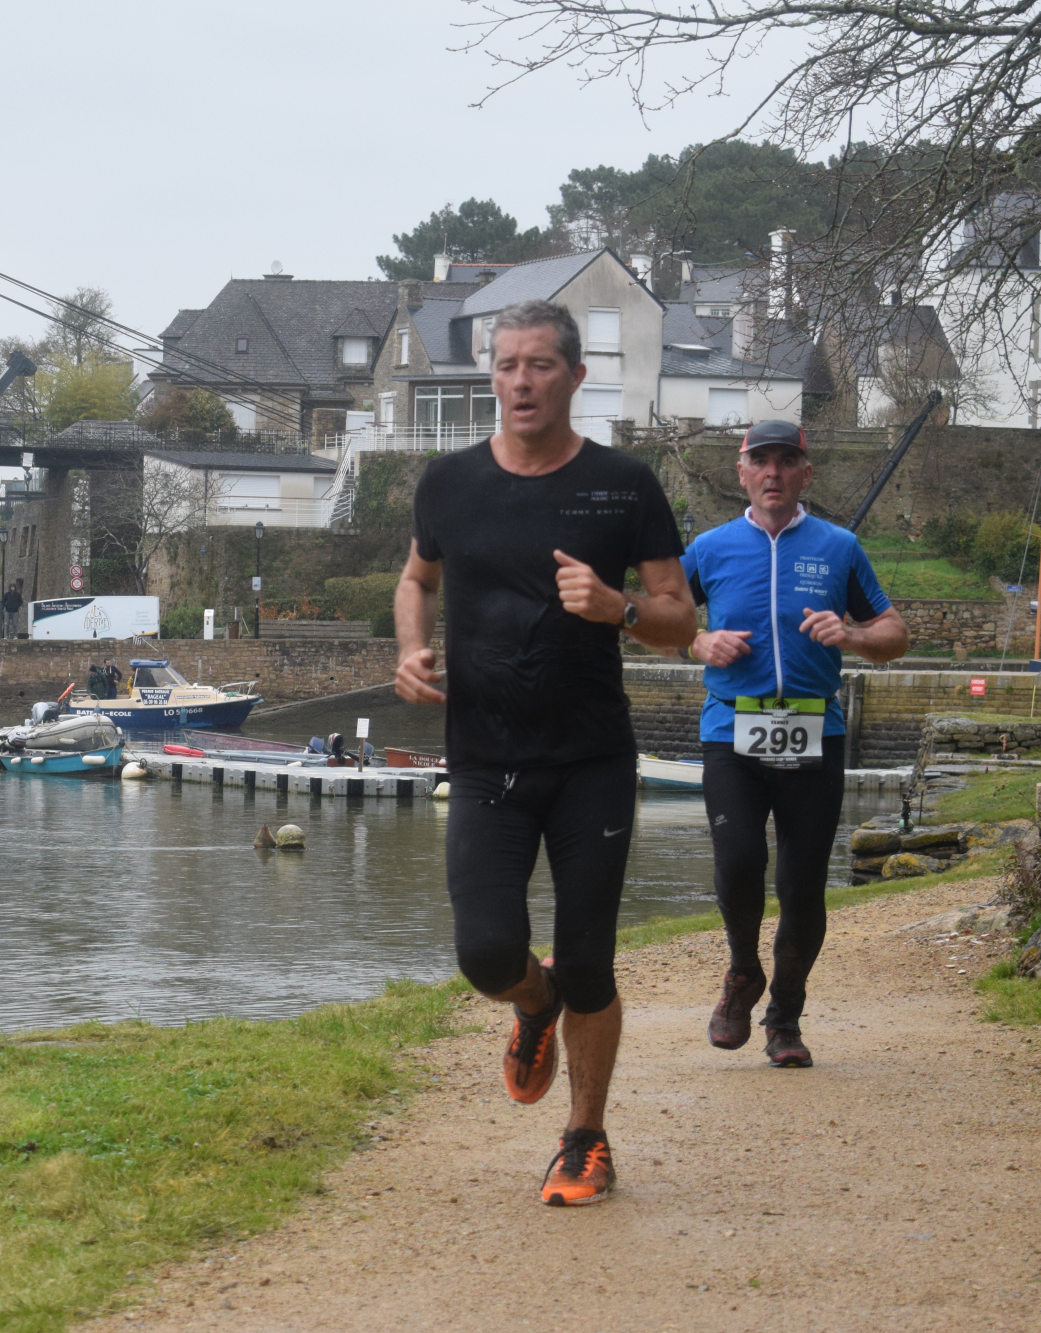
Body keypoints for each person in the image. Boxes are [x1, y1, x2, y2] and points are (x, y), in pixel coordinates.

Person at [394, 300, 697, 1206]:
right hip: (484, 757)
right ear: (491, 375)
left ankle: (584, 1137)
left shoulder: (623, 485)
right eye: (506, 365)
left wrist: (619, 609)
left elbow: (679, 619)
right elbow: (416, 576)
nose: (520, 381)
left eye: (539, 365)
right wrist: (409, 648)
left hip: (589, 759)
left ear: (575, 376)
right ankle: (534, 999)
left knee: (591, 958)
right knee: (487, 952)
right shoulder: (448, 482)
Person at [680, 419, 910, 1068]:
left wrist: (853, 635)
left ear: (806, 474)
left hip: (814, 733)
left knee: (802, 884)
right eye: (761, 461)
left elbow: (895, 633)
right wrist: (697, 641)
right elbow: (656, 616)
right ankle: (742, 971)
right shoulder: (709, 549)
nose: (773, 472)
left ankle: (784, 1016)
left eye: (786, 461)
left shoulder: (839, 547)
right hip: (731, 731)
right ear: (742, 472)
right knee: (738, 862)